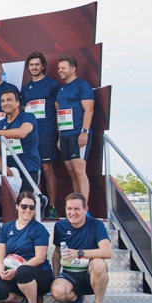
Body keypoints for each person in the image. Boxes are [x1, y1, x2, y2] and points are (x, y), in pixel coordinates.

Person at [0, 190, 54, 303]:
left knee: (23, 271)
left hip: (38, 275)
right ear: (17, 206)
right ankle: (22, 301)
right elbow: (1, 253)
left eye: (31, 207)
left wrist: (16, 270)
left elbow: (40, 258)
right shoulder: (6, 228)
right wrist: (1, 270)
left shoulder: (39, 229)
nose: (28, 210)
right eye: (24, 206)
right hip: (15, 274)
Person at [50, 193, 112, 303]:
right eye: (69, 209)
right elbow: (57, 253)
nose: (72, 213)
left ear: (85, 209)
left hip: (90, 274)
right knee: (58, 292)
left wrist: (80, 253)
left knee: (99, 264)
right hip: (70, 274)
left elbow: (107, 252)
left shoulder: (96, 225)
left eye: (77, 209)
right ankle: (77, 299)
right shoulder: (60, 226)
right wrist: (55, 276)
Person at [22, 52, 61, 215]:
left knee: (47, 169)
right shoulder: (26, 88)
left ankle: (52, 207)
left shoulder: (52, 85)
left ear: (43, 66)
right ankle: (37, 205)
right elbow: (23, 112)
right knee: (33, 171)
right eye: (31, 65)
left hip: (47, 133)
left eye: (37, 64)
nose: (34, 67)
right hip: (30, 136)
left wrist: (59, 133)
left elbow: (59, 110)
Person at [56, 56, 95, 200]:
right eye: (59, 68)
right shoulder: (61, 89)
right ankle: (77, 204)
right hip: (65, 135)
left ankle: (84, 207)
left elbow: (89, 110)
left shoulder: (82, 86)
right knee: (72, 172)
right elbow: (60, 113)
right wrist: (60, 136)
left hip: (78, 133)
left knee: (79, 170)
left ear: (72, 69)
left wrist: (84, 132)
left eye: (63, 68)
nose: (60, 70)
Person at [0, 90, 41, 193]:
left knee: (24, 200)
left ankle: (41, 200)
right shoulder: (0, 124)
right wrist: (1, 166)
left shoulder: (28, 117)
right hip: (7, 168)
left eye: (9, 100)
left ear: (17, 102)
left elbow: (21, 133)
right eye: (2, 101)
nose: (5, 103)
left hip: (27, 168)